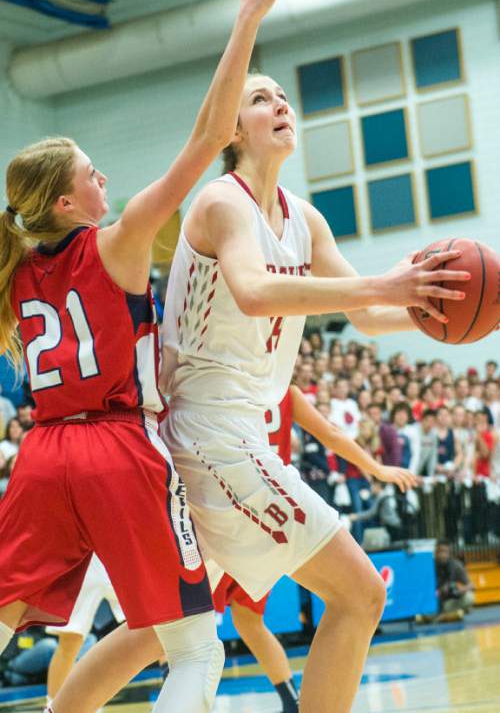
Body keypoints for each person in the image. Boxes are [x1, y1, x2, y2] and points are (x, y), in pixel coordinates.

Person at [55, 35, 470, 713]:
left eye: (281, 96)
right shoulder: (221, 201)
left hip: (228, 437)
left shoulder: (302, 218)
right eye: (259, 98)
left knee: (161, 630)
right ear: (234, 131)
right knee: (361, 594)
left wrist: (429, 303)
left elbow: (369, 318)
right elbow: (252, 289)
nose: (278, 103)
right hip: (208, 432)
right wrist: (384, 284)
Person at [0, 0, 298, 713]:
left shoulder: (12, 272)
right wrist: (248, 17)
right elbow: (207, 138)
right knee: (195, 652)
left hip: (41, 455)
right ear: (69, 201)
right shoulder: (120, 238)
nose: (107, 180)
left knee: (3, 618)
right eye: (92, 175)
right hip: (117, 449)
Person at [213, 384, 415, 713]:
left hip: (230, 507)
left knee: (180, 626)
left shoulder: (226, 381)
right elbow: (332, 434)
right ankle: (291, 701)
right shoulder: (283, 390)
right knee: (248, 620)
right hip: (274, 517)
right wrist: (377, 469)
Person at [45, 555, 125, 711]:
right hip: (83, 557)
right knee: (71, 641)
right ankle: (53, 706)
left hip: (119, 551)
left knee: (157, 624)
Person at [434, 541, 475, 621]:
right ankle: (453, 615)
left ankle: (444, 616)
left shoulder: (456, 565)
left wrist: (462, 589)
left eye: (445, 551)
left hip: (450, 602)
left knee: (470, 597)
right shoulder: (430, 566)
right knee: (425, 611)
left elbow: (471, 585)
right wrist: (439, 592)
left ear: (449, 553)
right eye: (440, 551)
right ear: (435, 553)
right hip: (435, 602)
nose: (442, 555)